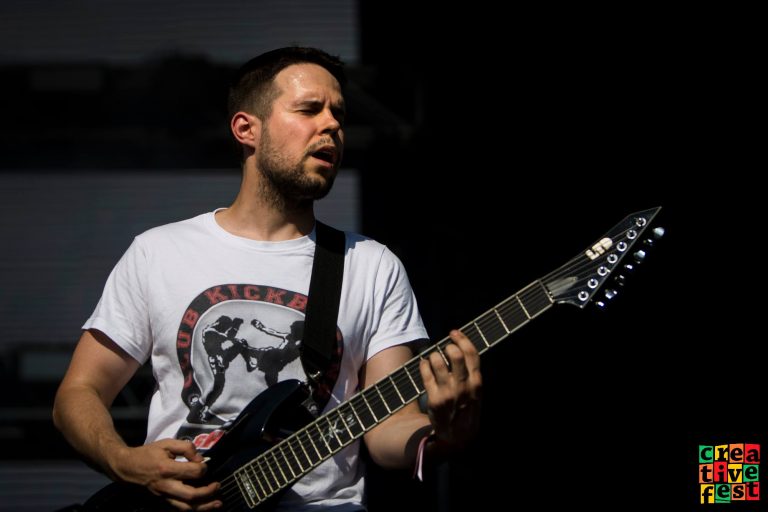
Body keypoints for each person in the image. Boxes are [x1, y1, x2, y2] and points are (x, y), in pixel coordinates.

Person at [52, 46, 482, 511]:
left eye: (338, 114)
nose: (332, 125)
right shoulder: (159, 252)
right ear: (246, 129)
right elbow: (79, 392)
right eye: (309, 109)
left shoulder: (371, 265)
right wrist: (123, 460)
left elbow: (387, 430)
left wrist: (442, 436)